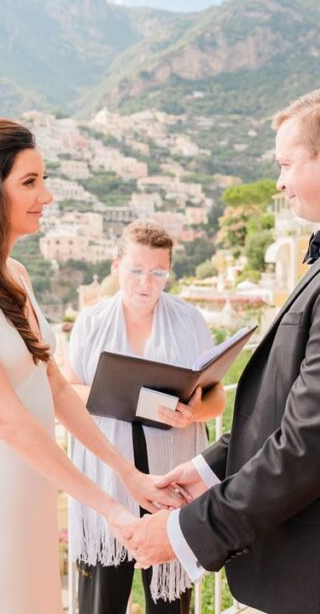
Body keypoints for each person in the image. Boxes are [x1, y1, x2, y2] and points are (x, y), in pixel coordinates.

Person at [121, 88, 320, 614]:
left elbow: (311, 442)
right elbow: (291, 403)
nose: (279, 181)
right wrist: (207, 470)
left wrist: (185, 533)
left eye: (287, 163)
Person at [0, 119, 180, 614]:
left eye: (43, 179)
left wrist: (129, 476)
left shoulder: (15, 274)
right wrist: (110, 508)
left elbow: (55, 387)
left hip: (30, 508)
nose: (46, 196)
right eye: (29, 182)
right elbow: (5, 420)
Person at [62, 221, 227, 613]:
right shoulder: (91, 322)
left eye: (157, 273)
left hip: (171, 480)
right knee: (100, 603)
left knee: (171, 603)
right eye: (136, 271)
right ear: (116, 266)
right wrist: (127, 399)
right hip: (107, 478)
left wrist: (194, 412)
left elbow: (216, 396)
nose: (145, 284)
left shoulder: (190, 321)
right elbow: (68, 389)